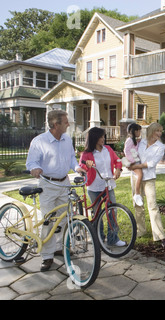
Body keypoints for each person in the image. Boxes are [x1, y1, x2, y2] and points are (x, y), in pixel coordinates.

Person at [26, 110, 85, 272]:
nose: (69, 124)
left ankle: (59, 247)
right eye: (66, 122)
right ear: (55, 124)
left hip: (64, 183)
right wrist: (35, 169)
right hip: (48, 184)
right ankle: (46, 256)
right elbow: (31, 162)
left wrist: (77, 167)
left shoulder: (66, 139)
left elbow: (72, 158)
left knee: (64, 219)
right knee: (48, 220)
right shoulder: (39, 141)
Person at [79, 127, 125, 247]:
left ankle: (113, 239)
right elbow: (81, 168)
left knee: (112, 211)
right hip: (94, 187)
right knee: (97, 213)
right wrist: (87, 166)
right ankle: (98, 238)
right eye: (101, 137)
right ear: (94, 138)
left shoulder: (108, 149)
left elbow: (118, 161)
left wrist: (118, 169)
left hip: (108, 185)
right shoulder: (87, 153)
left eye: (103, 136)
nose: (103, 139)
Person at [129, 122, 165, 247]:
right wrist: (133, 165)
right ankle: (140, 231)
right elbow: (133, 154)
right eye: (157, 131)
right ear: (151, 131)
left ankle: (160, 235)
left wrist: (137, 166)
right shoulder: (140, 142)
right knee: (137, 205)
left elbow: (152, 163)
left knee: (152, 206)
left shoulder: (160, 147)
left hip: (149, 178)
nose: (159, 134)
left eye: (160, 131)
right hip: (136, 177)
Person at [124, 123, 144, 206]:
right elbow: (126, 151)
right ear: (135, 131)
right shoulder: (129, 140)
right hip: (133, 162)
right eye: (139, 131)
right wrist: (131, 161)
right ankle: (137, 194)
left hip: (136, 161)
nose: (140, 132)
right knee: (140, 175)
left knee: (140, 176)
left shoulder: (134, 140)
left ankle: (139, 193)